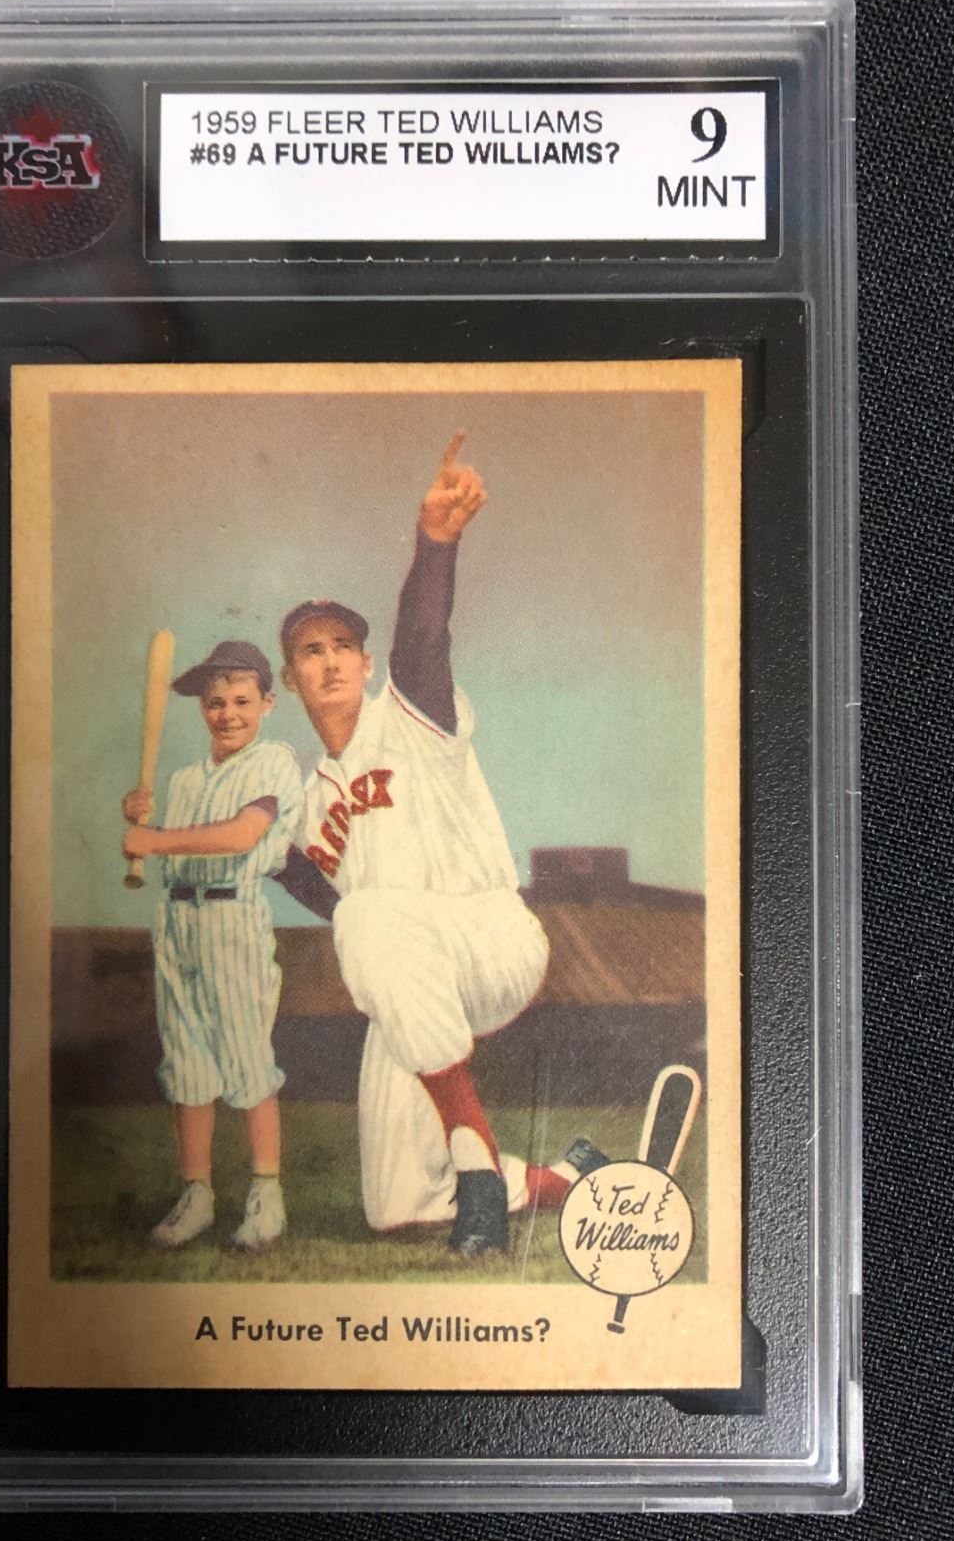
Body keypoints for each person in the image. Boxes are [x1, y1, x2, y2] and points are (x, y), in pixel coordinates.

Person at [275, 434, 605, 1258]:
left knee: (367, 914)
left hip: (487, 937)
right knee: (397, 1206)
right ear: (290, 679)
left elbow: (423, 637)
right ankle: (570, 1177)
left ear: (365, 663)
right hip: (409, 974)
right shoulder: (308, 805)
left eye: (342, 646)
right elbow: (302, 881)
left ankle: (476, 1166)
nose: (329, 661)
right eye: (311, 651)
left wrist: (435, 544)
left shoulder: (408, 712)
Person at [121, 640, 303, 1253]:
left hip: (233, 917)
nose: (228, 714)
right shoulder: (181, 780)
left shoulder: (274, 760)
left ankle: (267, 1196)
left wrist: (154, 840)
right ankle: (196, 1194)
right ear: (202, 707)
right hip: (176, 919)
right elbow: (165, 843)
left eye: (242, 701)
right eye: (215, 702)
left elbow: (241, 835)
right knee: (187, 1063)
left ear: (267, 702)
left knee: (248, 1059)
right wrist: (140, 821)